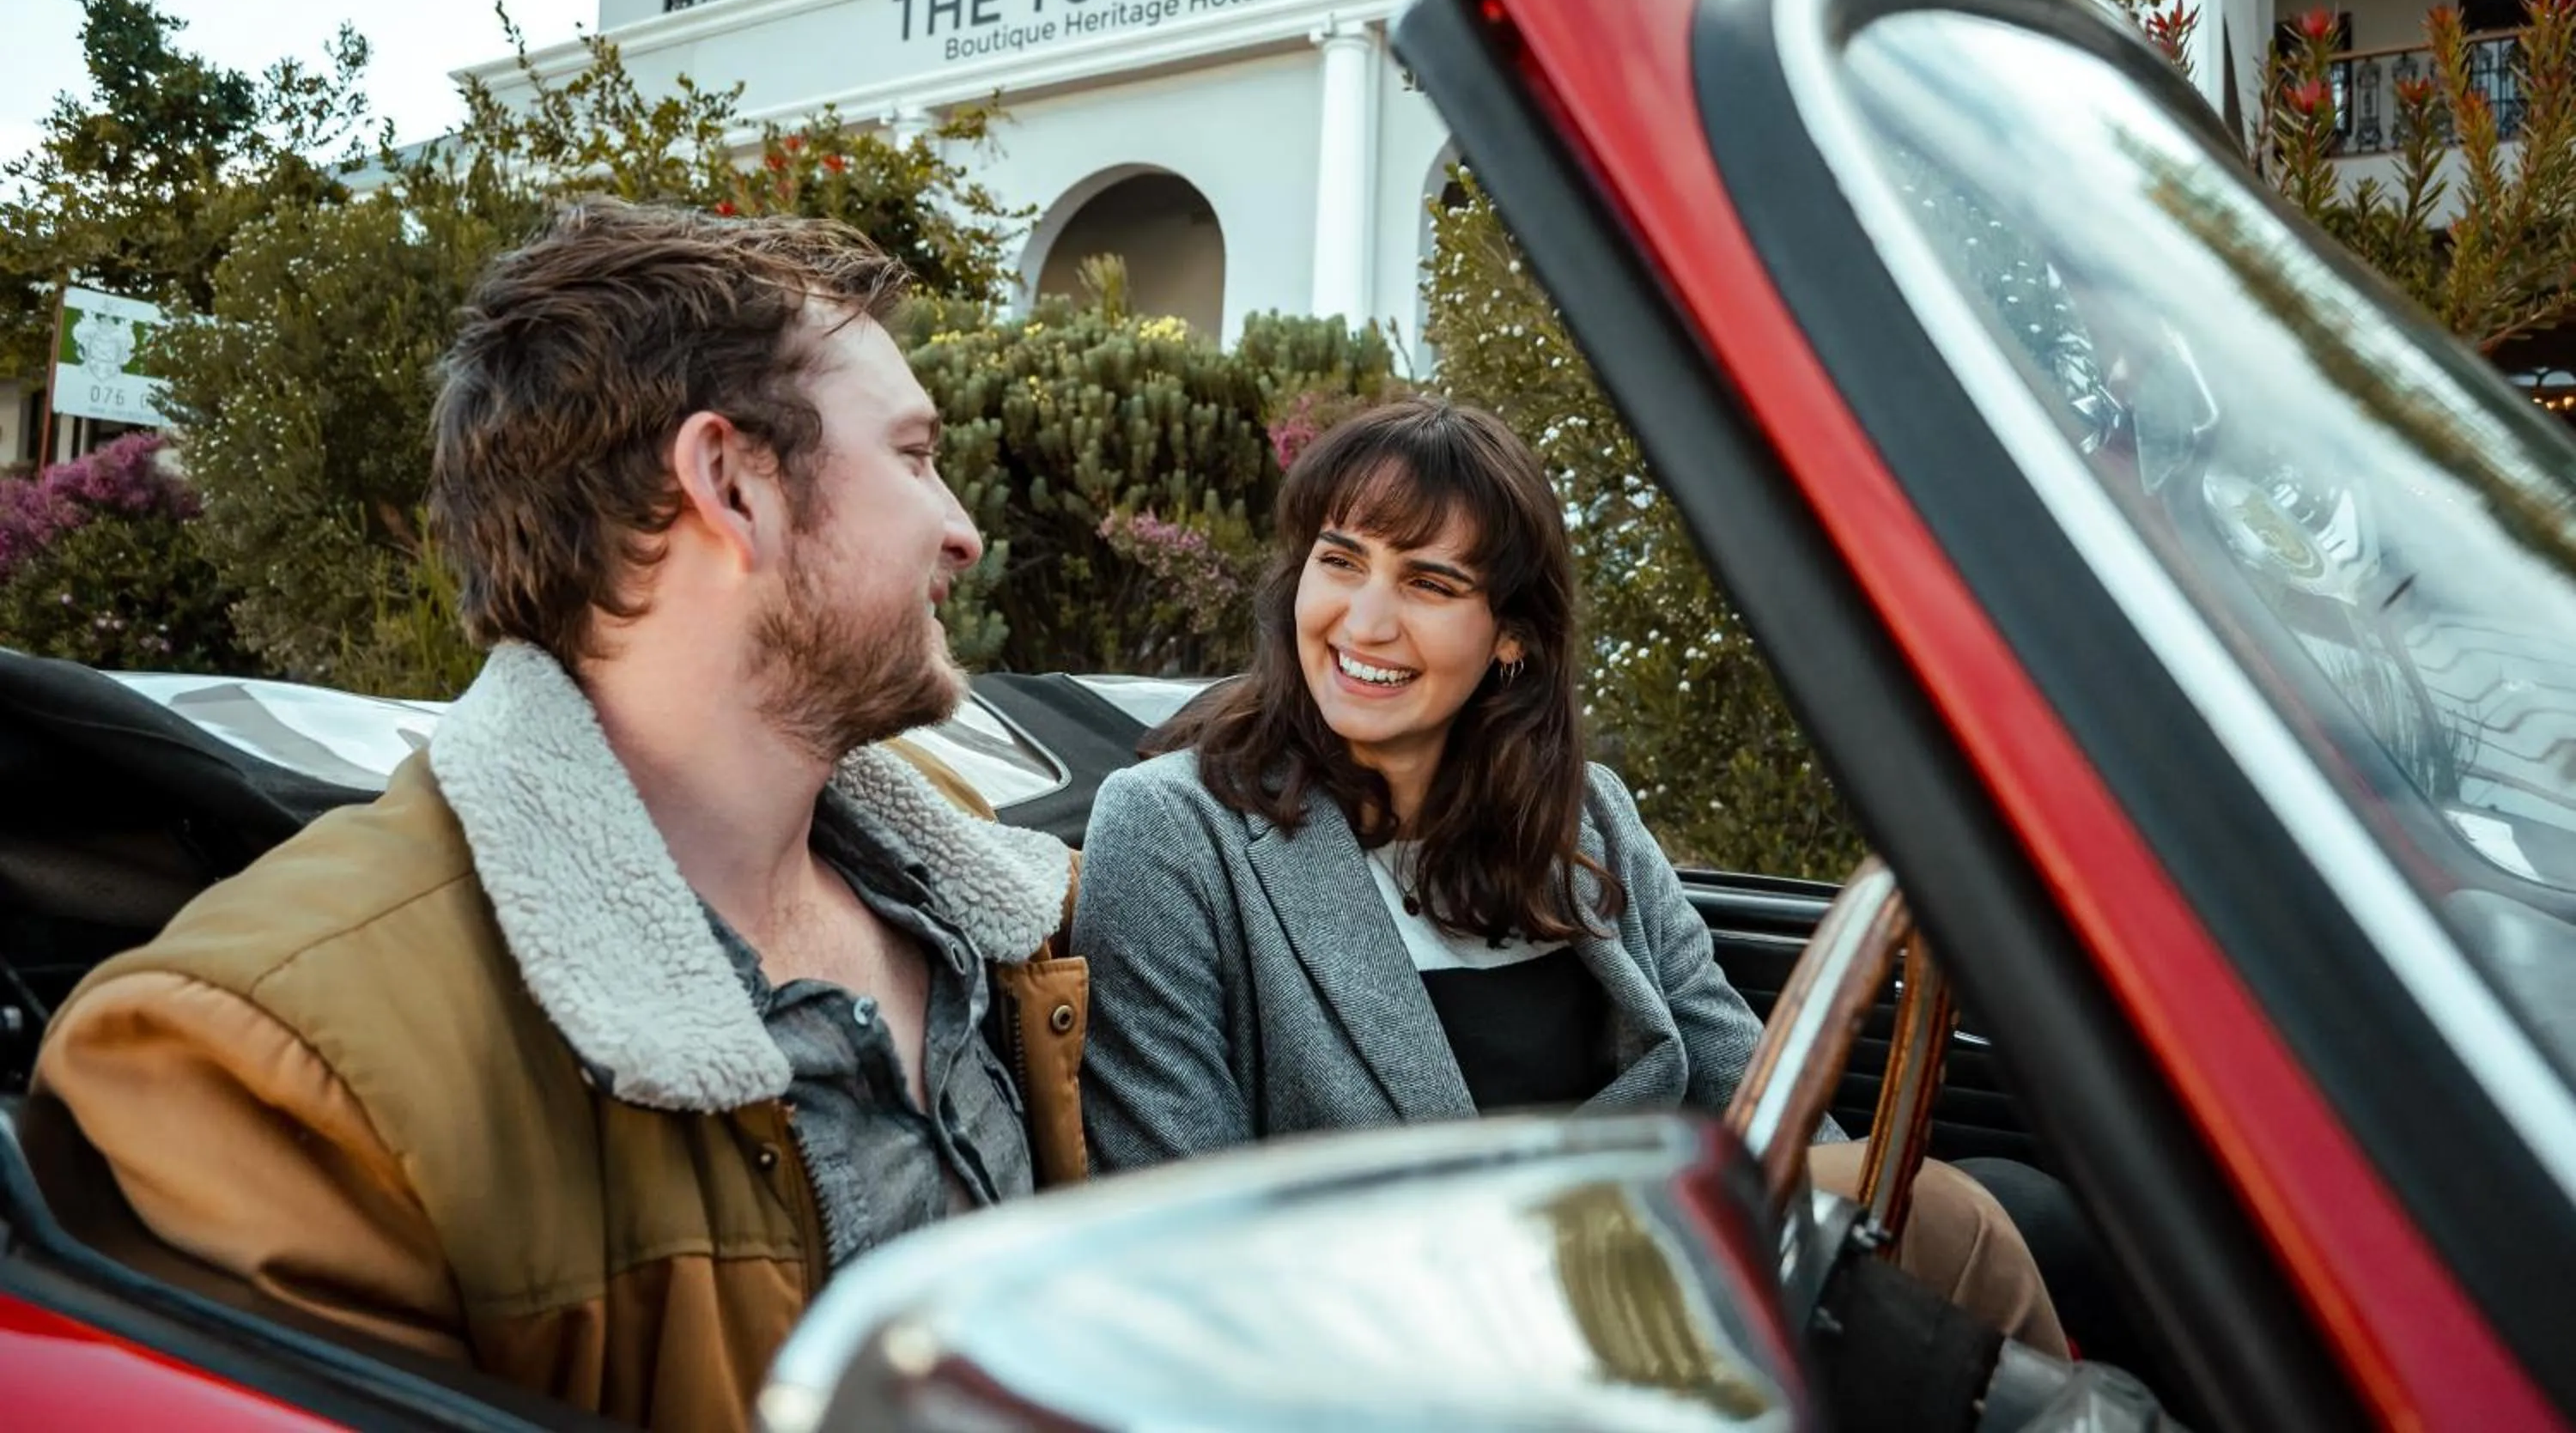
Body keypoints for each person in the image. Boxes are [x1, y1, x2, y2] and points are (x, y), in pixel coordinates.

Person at [32, 201, 1084, 1431]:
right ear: (730, 483)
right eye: (912, 455)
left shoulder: (985, 900)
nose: (960, 529)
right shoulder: (277, 1064)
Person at [1074, 396, 2066, 1355]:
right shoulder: (1173, 830)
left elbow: (1752, 1093)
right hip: (1419, 1328)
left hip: (1663, 1280)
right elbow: (1181, 1230)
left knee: (2013, 1212)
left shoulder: (1586, 814)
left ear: (1511, 636)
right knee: (1955, 1220)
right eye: (1341, 561)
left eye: (1429, 583)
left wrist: (1843, 1253)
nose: (1364, 622)